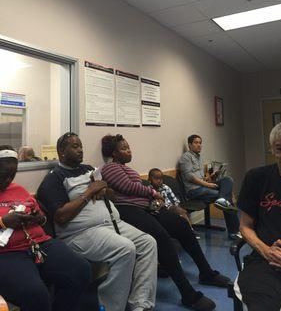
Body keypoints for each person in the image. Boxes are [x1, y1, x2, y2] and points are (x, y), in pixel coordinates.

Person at [101, 134, 232, 311]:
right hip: (128, 211)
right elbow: (128, 188)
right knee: (161, 237)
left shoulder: (126, 168)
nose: (129, 150)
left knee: (182, 225)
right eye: (124, 148)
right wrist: (153, 193)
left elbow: (140, 188)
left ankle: (206, 273)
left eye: (129, 147)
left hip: (147, 208)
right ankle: (188, 294)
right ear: (114, 154)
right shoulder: (110, 167)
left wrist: (153, 197)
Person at [37, 132, 157, 311]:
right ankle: (110, 307)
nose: (80, 150)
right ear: (62, 151)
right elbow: (61, 216)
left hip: (111, 224)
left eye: (81, 146)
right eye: (75, 146)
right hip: (80, 234)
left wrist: (104, 188)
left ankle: (140, 304)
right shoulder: (54, 178)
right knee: (125, 249)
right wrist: (88, 192)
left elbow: (111, 195)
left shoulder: (89, 169)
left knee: (149, 243)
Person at [0, 145, 91, 311]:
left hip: (40, 244)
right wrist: (3, 222)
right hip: (8, 253)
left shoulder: (19, 190)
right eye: (4, 173)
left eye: (12, 174)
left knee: (81, 271)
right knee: (35, 293)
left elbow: (42, 218)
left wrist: (38, 217)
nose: (8, 180)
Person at [237, 121, 281, 311]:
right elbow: (245, 226)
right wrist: (266, 251)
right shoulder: (256, 178)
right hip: (264, 263)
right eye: (280, 149)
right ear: (272, 149)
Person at [179, 134, 240, 239]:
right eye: (196, 143)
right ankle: (234, 232)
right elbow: (190, 177)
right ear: (189, 145)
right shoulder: (186, 157)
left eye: (200, 143)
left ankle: (222, 199)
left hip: (203, 187)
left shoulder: (199, 157)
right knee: (227, 199)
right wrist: (208, 184)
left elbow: (202, 178)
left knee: (227, 179)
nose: (199, 145)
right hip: (194, 191)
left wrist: (211, 177)